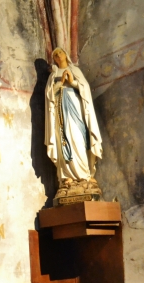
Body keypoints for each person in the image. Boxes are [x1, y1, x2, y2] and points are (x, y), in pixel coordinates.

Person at [44, 47, 103, 199]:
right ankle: (67, 178)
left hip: (76, 108)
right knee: (63, 140)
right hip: (60, 113)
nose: (58, 56)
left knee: (78, 138)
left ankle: (85, 175)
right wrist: (61, 83)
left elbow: (85, 89)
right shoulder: (53, 75)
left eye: (60, 53)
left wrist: (72, 82)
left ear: (65, 55)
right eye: (55, 55)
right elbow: (49, 95)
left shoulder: (75, 70)